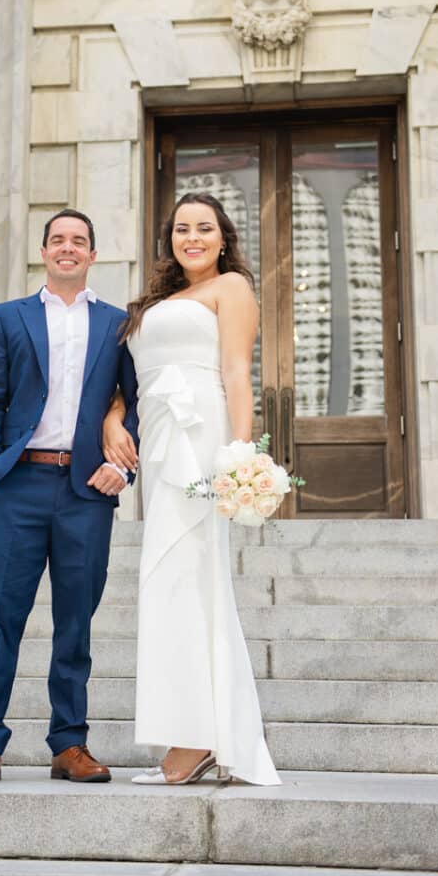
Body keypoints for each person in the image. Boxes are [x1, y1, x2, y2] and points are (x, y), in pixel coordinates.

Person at [102, 192, 280, 786]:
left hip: (201, 436)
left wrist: (239, 452)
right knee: (168, 583)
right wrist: (114, 412)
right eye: (182, 228)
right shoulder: (156, 301)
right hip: (157, 439)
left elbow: (235, 371)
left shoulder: (232, 289)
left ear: (223, 237)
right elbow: (130, 373)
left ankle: (198, 739)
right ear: (171, 239)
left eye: (205, 228)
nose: (193, 237)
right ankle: (191, 731)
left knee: (189, 579)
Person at [0, 209, 138, 785]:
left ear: (92, 254)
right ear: (43, 251)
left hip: (86, 489)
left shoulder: (119, 324)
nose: (68, 248)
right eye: (58, 239)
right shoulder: (8, 318)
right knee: (1, 618)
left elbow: (136, 403)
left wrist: (122, 469)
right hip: (19, 486)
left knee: (75, 622)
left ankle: (69, 744)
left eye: (79, 241)